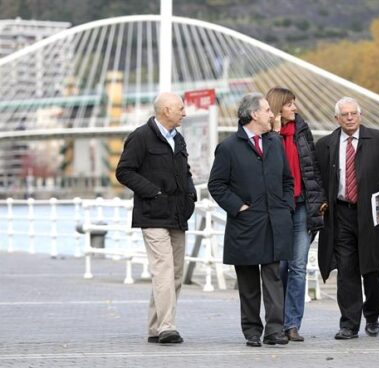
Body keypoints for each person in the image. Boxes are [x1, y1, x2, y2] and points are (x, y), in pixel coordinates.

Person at [208, 93, 294, 347]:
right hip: (245, 225)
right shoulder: (228, 147)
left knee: (274, 278)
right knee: (247, 282)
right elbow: (217, 185)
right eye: (267, 110)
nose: (272, 115)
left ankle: (275, 330)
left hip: (275, 222)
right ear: (254, 114)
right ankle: (252, 330)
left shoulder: (275, 143)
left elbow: (287, 180)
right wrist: (239, 207)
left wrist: (285, 205)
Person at [315, 97, 379, 340]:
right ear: (337, 119)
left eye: (354, 113)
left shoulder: (378, 139)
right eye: (345, 114)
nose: (350, 117)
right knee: (346, 269)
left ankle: (372, 316)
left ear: (360, 116)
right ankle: (349, 324)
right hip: (340, 213)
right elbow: (319, 182)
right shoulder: (325, 145)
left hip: (371, 214)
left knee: (373, 270)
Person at [115, 92, 196, 344]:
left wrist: (190, 196)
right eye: (181, 108)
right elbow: (124, 171)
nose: (185, 113)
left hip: (178, 215)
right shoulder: (140, 137)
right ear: (166, 111)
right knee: (163, 270)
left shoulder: (178, 139)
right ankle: (167, 327)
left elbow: (186, 171)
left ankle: (154, 326)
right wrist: (154, 193)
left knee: (175, 274)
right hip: (152, 214)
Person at [265, 87, 326, 342]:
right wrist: (276, 132)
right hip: (278, 208)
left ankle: (292, 324)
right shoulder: (267, 135)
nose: (295, 108)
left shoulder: (303, 130)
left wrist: (319, 200)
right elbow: (268, 164)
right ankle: (276, 322)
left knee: (298, 266)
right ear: (278, 107)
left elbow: (311, 167)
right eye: (290, 104)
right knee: (279, 267)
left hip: (302, 205)